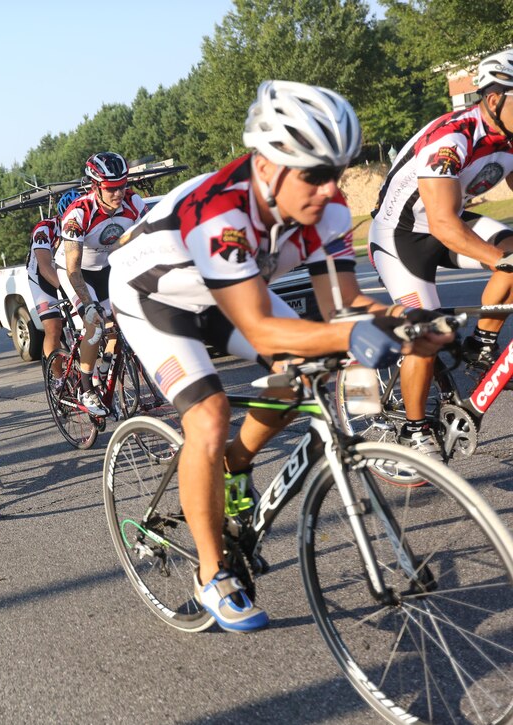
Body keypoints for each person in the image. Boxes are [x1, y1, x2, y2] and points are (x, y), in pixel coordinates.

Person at [109, 80, 451, 632]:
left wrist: (408, 321)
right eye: (315, 174)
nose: (330, 190)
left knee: (299, 381)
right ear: (268, 166)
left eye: (338, 172)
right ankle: (211, 570)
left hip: (231, 292)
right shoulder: (220, 212)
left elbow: (342, 303)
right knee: (209, 415)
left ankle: (236, 462)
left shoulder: (330, 208)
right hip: (154, 299)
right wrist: (352, 337)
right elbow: (265, 332)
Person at [369, 48, 513, 457]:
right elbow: (443, 225)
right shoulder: (452, 139)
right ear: (494, 98)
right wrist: (497, 260)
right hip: (403, 238)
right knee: (428, 333)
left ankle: (481, 345)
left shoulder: (508, 137)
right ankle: (414, 429)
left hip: (448, 221)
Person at [57, 152, 147, 416]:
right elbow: (73, 268)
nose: (118, 193)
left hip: (109, 268)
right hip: (77, 272)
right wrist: (88, 305)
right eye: (111, 188)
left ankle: (104, 374)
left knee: (122, 324)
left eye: (122, 186)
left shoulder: (134, 203)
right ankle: (86, 387)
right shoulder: (79, 214)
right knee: (95, 325)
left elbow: (149, 243)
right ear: (96, 186)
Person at [32, 188, 81, 374]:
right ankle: (58, 377)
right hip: (41, 277)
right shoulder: (44, 229)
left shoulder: (85, 224)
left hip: (67, 271)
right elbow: (45, 267)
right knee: (53, 327)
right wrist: (69, 290)